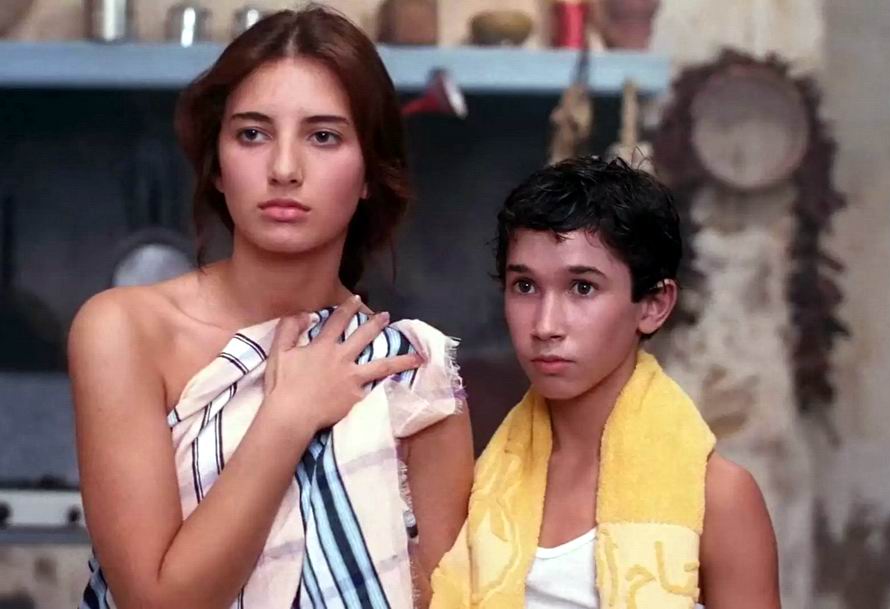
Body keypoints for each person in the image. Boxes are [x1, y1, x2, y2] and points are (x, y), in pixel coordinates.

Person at [69, 7, 472, 609]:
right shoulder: (124, 332)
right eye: (253, 135)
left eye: (323, 136)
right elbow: (155, 602)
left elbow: (444, 597)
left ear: (369, 172)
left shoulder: (410, 368)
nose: (284, 169)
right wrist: (287, 417)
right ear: (218, 166)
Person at [430, 156, 780, 609]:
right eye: (525, 286)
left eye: (582, 287)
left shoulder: (719, 497)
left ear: (653, 305)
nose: (545, 325)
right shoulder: (478, 485)